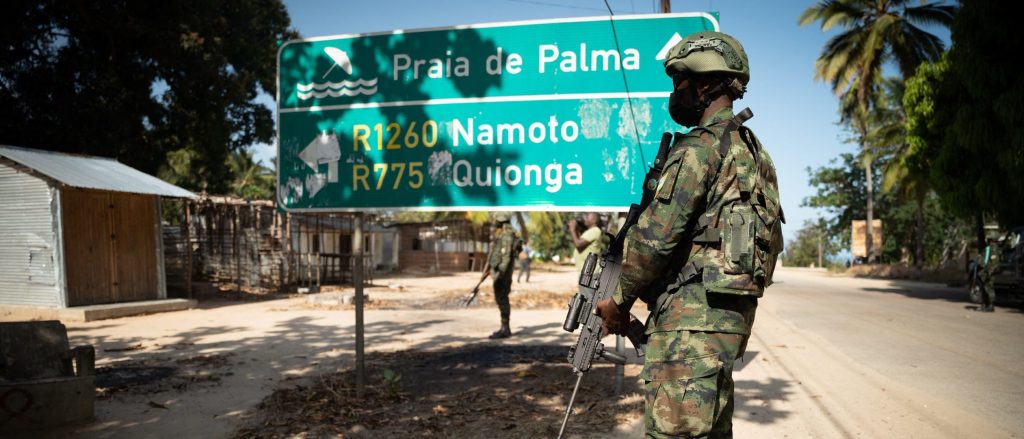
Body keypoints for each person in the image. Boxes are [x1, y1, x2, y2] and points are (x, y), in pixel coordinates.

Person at [595, 31, 784, 438]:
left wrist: (619, 301)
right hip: (725, 322)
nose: (675, 91)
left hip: (689, 326)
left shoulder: (701, 148)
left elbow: (656, 237)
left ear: (705, 84)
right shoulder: (754, 152)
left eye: (680, 81)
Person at [477, 212, 522, 338]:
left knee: (502, 298)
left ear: (501, 221)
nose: (495, 222)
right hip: (502, 272)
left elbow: (506, 257)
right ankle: (504, 327)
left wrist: (501, 272)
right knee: (501, 298)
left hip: (502, 273)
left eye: (496, 220)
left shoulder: (507, 235)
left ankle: (505, 329)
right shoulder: (506, 234)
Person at [569, 212, 609, 282]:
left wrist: (572, 230)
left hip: (591, 273)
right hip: (587, 273)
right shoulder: (590, 231)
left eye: (587, 217)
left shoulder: (595, 230)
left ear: (594, 220)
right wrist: (576, 230)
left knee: (586, 289)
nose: (585, 219)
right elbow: (578, 242)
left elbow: (578, 244)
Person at [977, 237, 1000, 312]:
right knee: (984, 288)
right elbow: (984, 259)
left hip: (989, 272)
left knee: (989, 288)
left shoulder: (994, 248)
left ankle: (991, 306)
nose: (988, 241)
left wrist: (990, 271)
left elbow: (995, 263)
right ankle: (984, 305)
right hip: (984, 271)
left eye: (989, 240)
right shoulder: (987, 248)